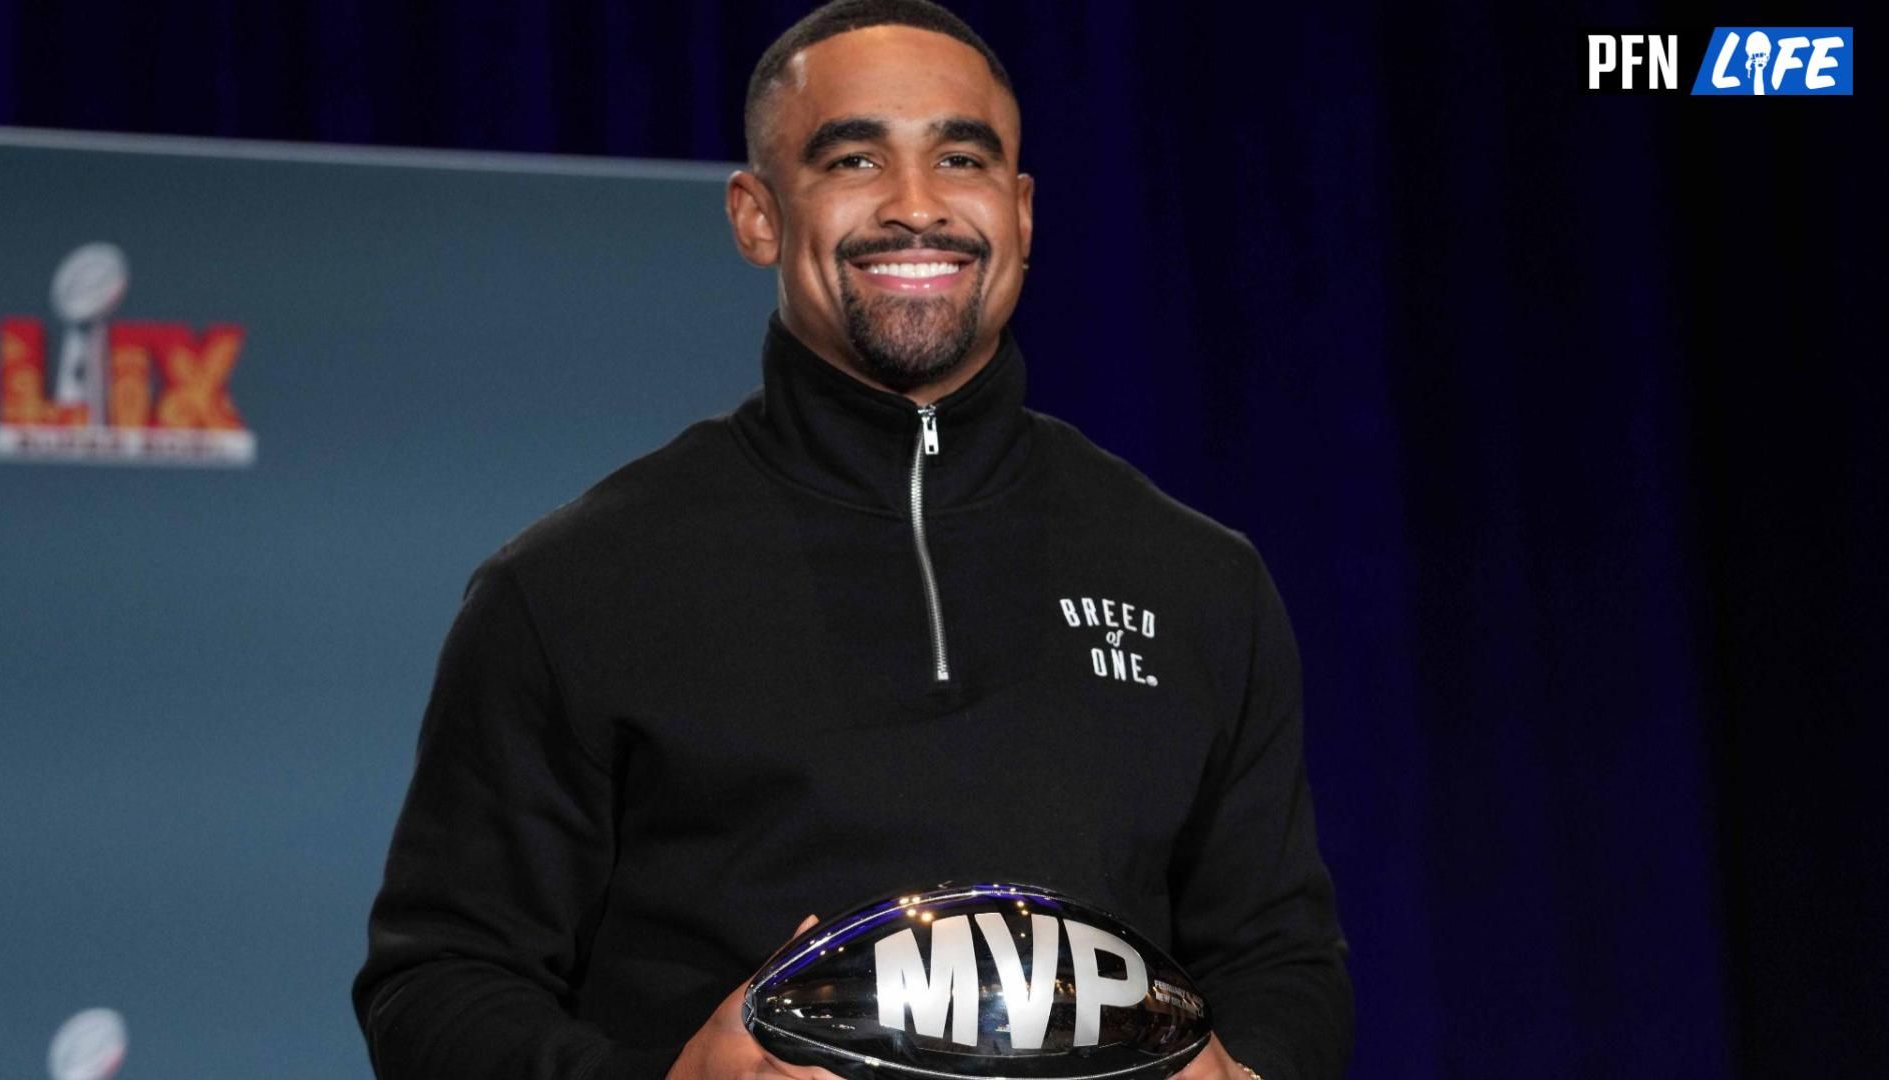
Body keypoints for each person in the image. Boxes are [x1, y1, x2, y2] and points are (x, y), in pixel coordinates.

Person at [351, 2, 1352, 1078]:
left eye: (961, 158)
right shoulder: (569, 591)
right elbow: (437, 983)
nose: (916, 208)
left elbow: (1280, 959)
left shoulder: (1197, 580)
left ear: (1020, 213)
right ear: (758, 216)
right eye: (854, 159)